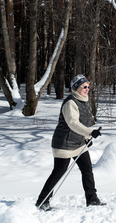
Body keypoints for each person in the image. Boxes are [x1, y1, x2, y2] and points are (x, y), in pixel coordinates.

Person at [36, 74, 105, 211]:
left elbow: (82, 123)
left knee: (87, 170)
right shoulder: (70, 103)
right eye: (84, 86)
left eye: (88, 86)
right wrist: (90, 132)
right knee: (59, 172)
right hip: (64, 144)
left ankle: (92, 200)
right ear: (76, 88)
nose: (87, 89)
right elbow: (73, 123)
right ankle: (42, 201)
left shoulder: (84, 101)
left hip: (78, 143)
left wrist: (86, 139)